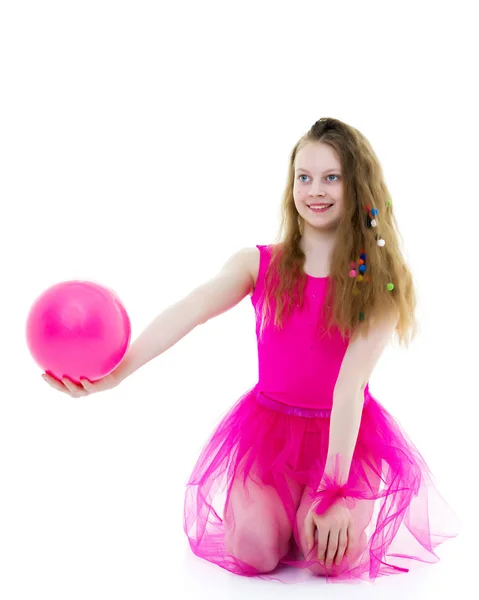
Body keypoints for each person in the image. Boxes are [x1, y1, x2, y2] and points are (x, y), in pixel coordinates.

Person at [42, 117, 460, 584]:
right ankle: (274, 512)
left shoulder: (376, 281)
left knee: (330, 560)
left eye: (331, 178)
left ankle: (310, 513)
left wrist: (333, 490)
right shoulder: (259, 263)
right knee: (255, 550)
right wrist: (117, 374)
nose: (315, 190)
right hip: (272, 435)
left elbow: (348, 387)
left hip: (345, 439)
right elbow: (191, 309)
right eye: (304, 177)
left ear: (356, 185)